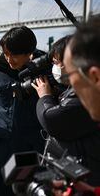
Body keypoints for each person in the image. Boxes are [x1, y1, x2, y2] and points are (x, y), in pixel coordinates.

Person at [0, 26, 45, 196]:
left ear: (29, 53)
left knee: (27, 192)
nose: (8, 59)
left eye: (14, 55)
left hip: (30, 151)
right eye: (5, 53)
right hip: (2, 147)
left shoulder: (44, 73)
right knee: (3, 191)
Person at [32, 35, 100, 186]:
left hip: (83, 175)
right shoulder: (72, 90)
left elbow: (52, 120)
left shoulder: (85, 97)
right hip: (72, 173)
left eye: (62, 63)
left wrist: (44, 96)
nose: (57, 68)